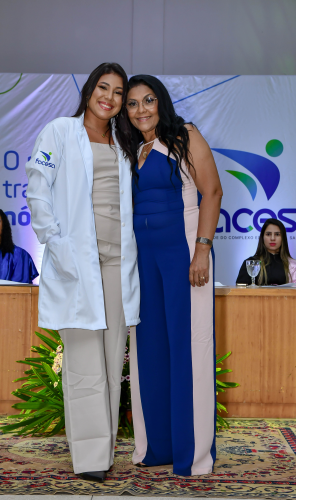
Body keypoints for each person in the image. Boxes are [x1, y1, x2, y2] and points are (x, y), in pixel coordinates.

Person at [24, 62, 140, 483]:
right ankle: (90, 459)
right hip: (76, 264)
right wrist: (54, 242)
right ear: (89, 90)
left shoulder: (124, 142)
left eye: (118, 92)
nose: (109, 97)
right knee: (83, 362)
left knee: (110, 361)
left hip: (117, 264)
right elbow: (37, 188)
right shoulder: (59, 131)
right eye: (103, 88)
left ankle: (103, 451)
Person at [122, 75, 223, 476]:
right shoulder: (132, 149)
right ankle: (157, 447)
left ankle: (192, 454)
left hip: (184, 256)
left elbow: (212, 192)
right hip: (143, 260)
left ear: (161, 101)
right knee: (148, 351)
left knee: (188, 348)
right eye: (132, 103)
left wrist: (202, 251)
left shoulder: (184, 135)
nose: (141, 109)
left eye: (148, 100)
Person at [236, 218, 296, 285]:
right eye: (268, 234)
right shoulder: (250, 263)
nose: (272, 238)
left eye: (277, 234)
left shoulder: (293, 265)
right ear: (262, 237)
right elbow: (240, 289)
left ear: (283, 238)